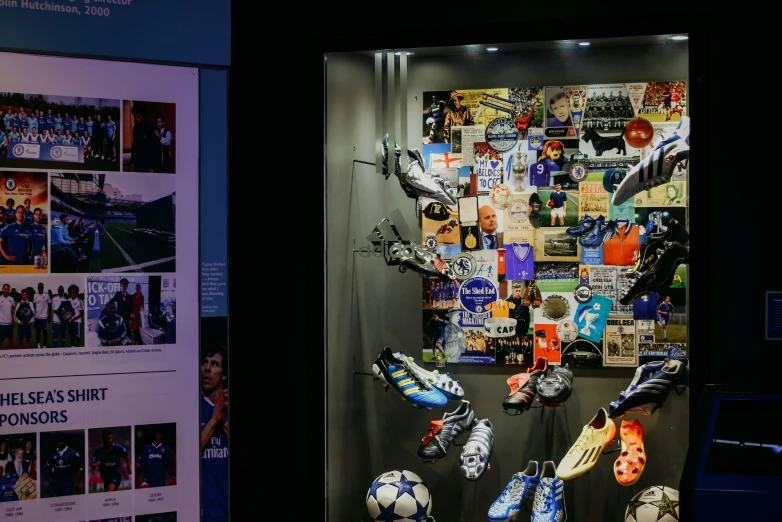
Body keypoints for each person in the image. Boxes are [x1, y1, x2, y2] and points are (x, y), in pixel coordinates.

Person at [201, 345, 229, 522]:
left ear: (224, 375)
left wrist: (223, 422)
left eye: (214, 364)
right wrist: (213, 421)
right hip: (206, 513)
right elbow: (188, 455)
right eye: (204, 362)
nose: (207, 368)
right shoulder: (193, 407)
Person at [130, 107, 157, 172]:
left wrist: (151, 166)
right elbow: (134, 147)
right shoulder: (135, 129)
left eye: (138, 117)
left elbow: (153, 148)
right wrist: (132, 163)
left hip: (147, 163)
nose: (136, 119)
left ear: (143, 116)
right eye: (135, 117)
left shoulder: (150, 128)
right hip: (138, 163)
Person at [33, 282, 50, 348]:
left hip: (44, 317)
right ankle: (38, 344)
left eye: (41, 287)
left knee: (45, 332)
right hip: (37, 317)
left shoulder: (46, 295)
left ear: (43, 288)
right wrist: (35, 316)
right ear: (37, 288)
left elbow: (49, 305)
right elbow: (34, 305)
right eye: (39, 287)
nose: (40, 288)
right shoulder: (35, 295)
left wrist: (49, 315)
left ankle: (45, 346)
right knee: (37, 332)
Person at [0, 284, 15, 350]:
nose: (6, 290)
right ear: (2, 289)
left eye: (8, 289)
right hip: (1, 323)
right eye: (5, 289)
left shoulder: (11, 299)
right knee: (0, 341)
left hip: (9, 324)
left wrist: (12, 317)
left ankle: (11, 353)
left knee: (10, 340)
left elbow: (13, 308)